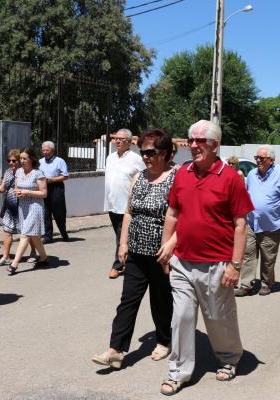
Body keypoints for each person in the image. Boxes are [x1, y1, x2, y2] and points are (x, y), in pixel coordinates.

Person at [158, 120, 254, 396]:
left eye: (201, 141)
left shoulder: (231, 178)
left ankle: (228, 357)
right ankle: (178, 372)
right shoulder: (183, 174)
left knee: (218, 318)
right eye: (191, 140)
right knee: (182, 317)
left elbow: (240, 224)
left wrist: (235, 265)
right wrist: (167, 249)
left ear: (216, 145)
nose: (194, 145)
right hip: (183, 262)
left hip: (217, 264)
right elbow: (173, 213)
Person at [91, 129, 176, 369]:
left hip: (162, 254)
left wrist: (171, 244)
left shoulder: (176, 178)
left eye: (151, 152)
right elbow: (129, 212)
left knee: (161, 301)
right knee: (128, 300)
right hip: (136, 252)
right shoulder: (138, 177)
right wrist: (123, 243)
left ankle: (164, 340)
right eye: (144, 152)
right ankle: (115, 350)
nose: (146, 156)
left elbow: (185, 216)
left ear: (166, 154)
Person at [234, 145, 280, 297]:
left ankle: (267, 283)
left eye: (262, 158)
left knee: (268, 257)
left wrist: (278, 211)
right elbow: (248, 194)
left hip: (271, 224)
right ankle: (247, 284)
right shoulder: (252, 174)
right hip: (252, 223)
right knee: (248, 254)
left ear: (271, 160)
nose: (258, 160)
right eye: (257, 157)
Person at [103, 128, 145, 279]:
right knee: (120, 234)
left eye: (121, 139)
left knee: (121, 235)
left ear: (129, 142)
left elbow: (143, 178)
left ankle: (118, 265)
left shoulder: (136, 159)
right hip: (112, 202)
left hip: (126, 205)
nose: (117, 141)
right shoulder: (110, 157)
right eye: (115, 139)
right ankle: (129, 260)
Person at [8, 148, 49, 275]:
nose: (22, 161)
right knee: (34, 236)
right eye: (21, 158)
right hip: (23, 206)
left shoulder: (38, 173)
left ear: (31, 159)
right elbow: (16, 188)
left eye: (24, 158)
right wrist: (18, 193)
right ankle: (44, 258)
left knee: (25, 234)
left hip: (35, 206)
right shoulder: (19, 172)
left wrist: (27, 192)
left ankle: (14, 264)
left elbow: (44, 193)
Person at [0, 149, 35, 266]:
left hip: (22, 205)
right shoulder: (8, 172)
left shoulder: (23, 172)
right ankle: (5, 257)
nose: (11, 163)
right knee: (7, 230)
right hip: (10, 206)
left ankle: (33, 252)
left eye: (14, 160)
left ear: (20, 161)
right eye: (9, 160)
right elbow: (2, 188)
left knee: (27, 231)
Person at [39, 141, 69, 243]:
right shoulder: (40, 162)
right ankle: (48, 236)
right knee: (45, 213)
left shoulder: (59, 161)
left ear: (52, 150)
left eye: (47, 150)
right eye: (43, 150)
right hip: (44, 188)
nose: (44, 152)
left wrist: (52, 179)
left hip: (56, 188)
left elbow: (65, 176)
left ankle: (63, 232)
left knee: (59, 212)